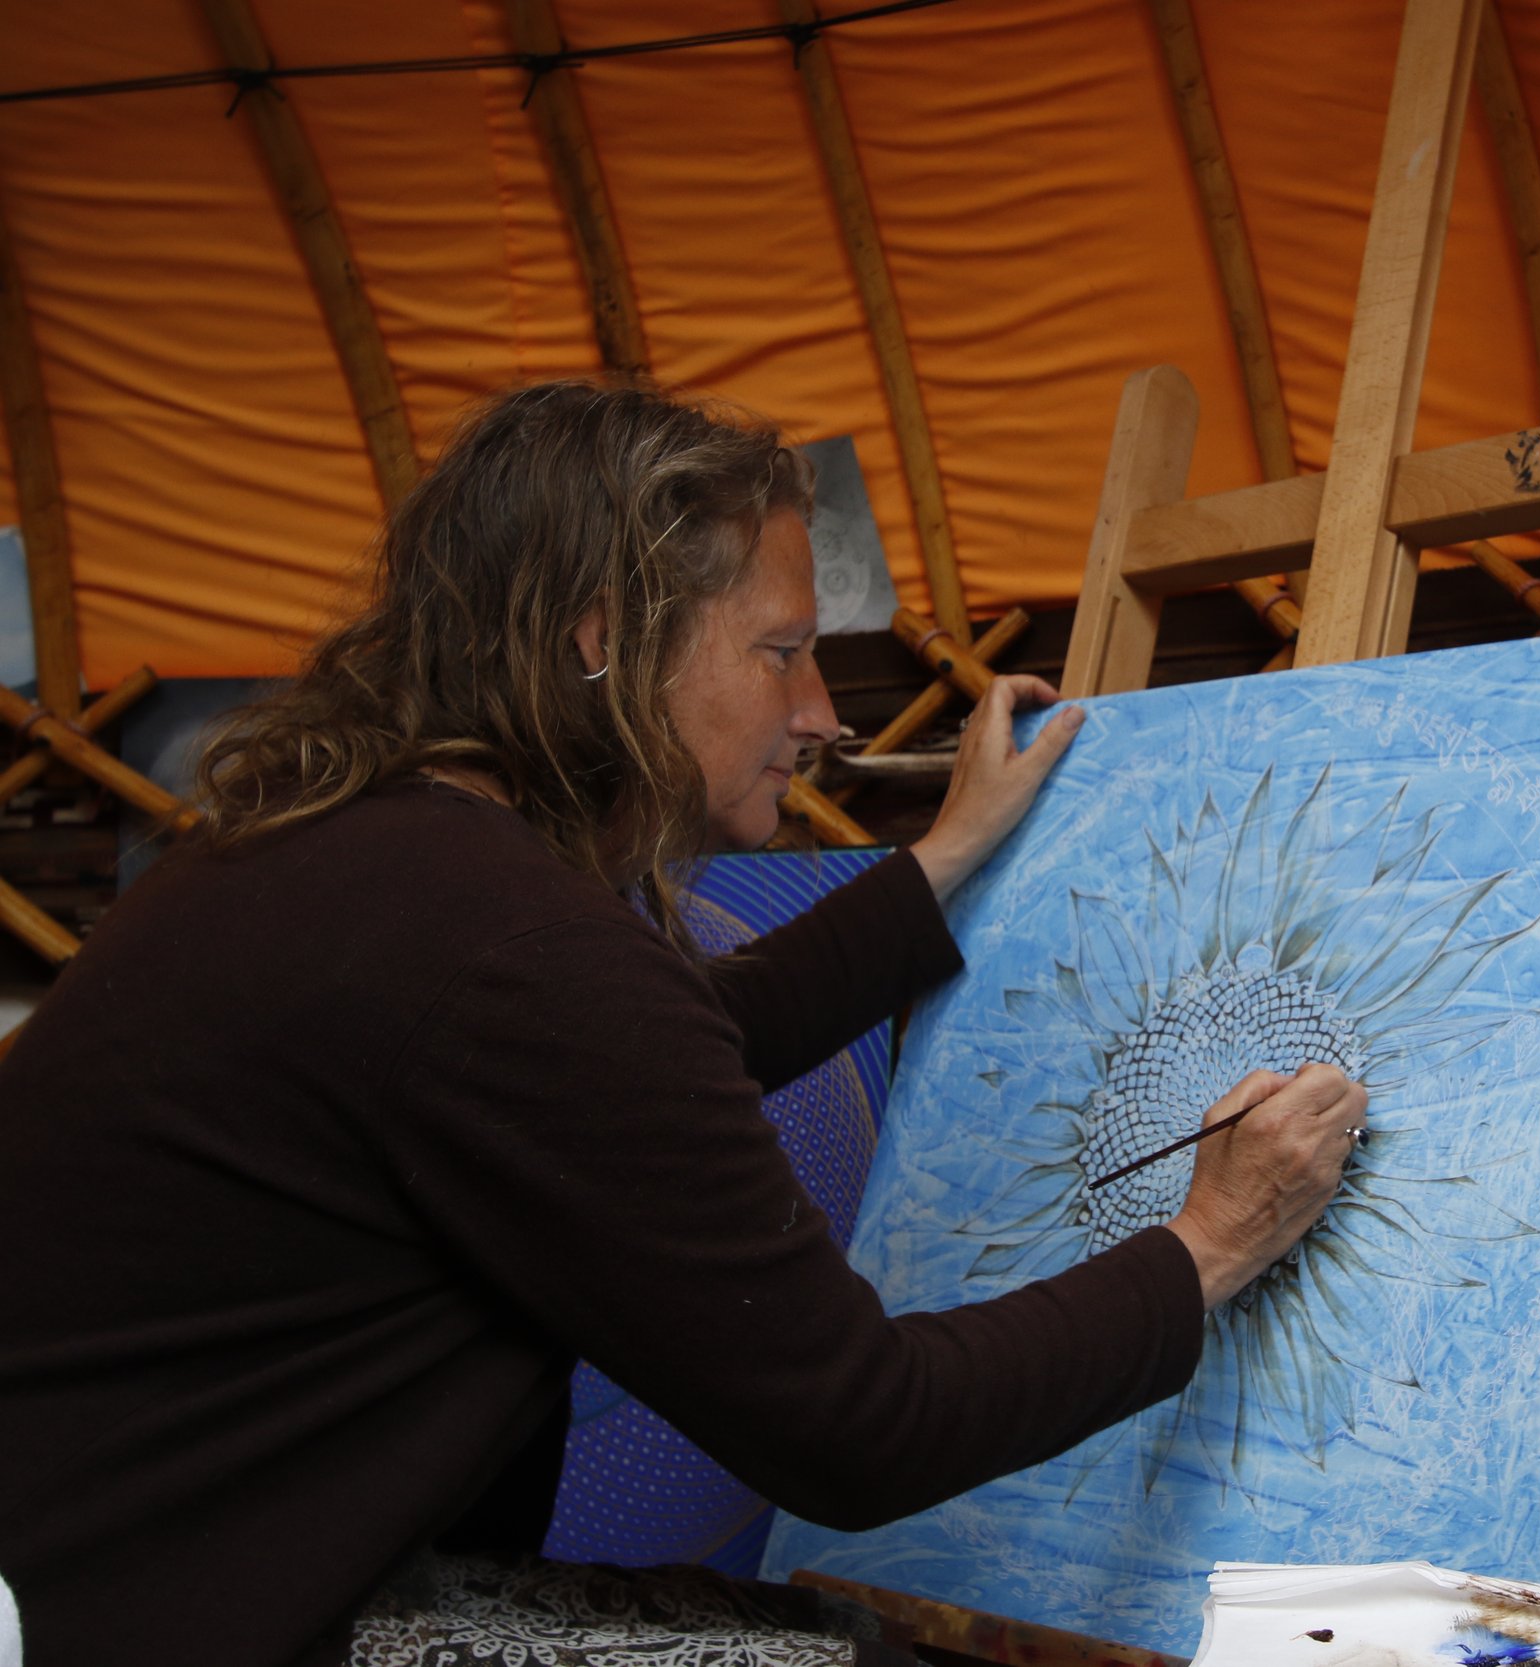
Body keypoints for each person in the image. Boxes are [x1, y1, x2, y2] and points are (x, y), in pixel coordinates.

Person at [0, 380, 1367, 1667]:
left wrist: (937, 863)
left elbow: (666, 1046)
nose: (824, 712)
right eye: (780, 652)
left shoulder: (362, 858)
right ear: (606, 641)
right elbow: (860, 1425)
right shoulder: (507, 944)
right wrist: (1207, 1241)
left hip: (102, 1573)